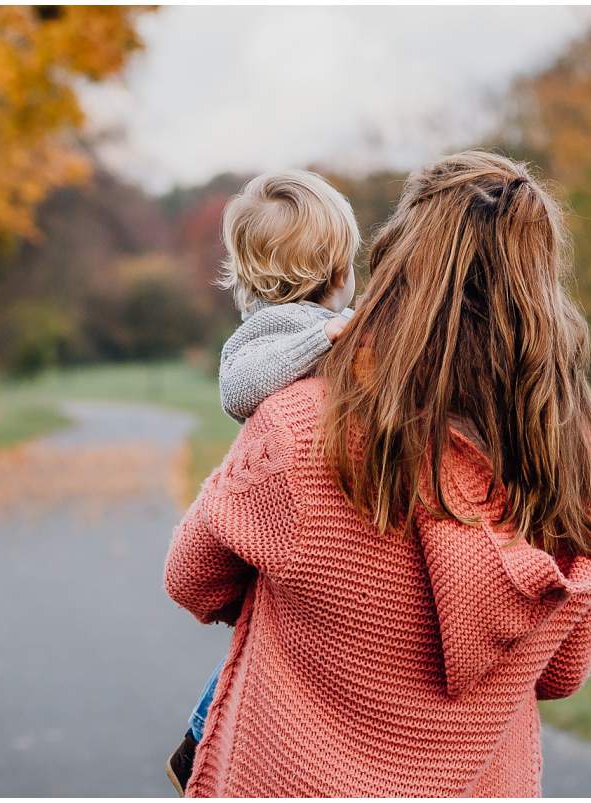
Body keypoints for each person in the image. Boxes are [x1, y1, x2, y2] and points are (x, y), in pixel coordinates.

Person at [164, 151, 591, 797]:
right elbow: (561, 671)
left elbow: (192, 579)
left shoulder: (305, 424)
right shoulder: (579, 461)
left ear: (401, 258)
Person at [165, 169, 360, 795]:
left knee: (262, 636)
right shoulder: (269, 336)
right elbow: (240, 389)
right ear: (335, 273)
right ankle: (201, 737)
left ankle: (202, 733)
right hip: (277, 508)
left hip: (301, 505)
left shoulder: (341, 326)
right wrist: (326, 341)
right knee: (261, 639)